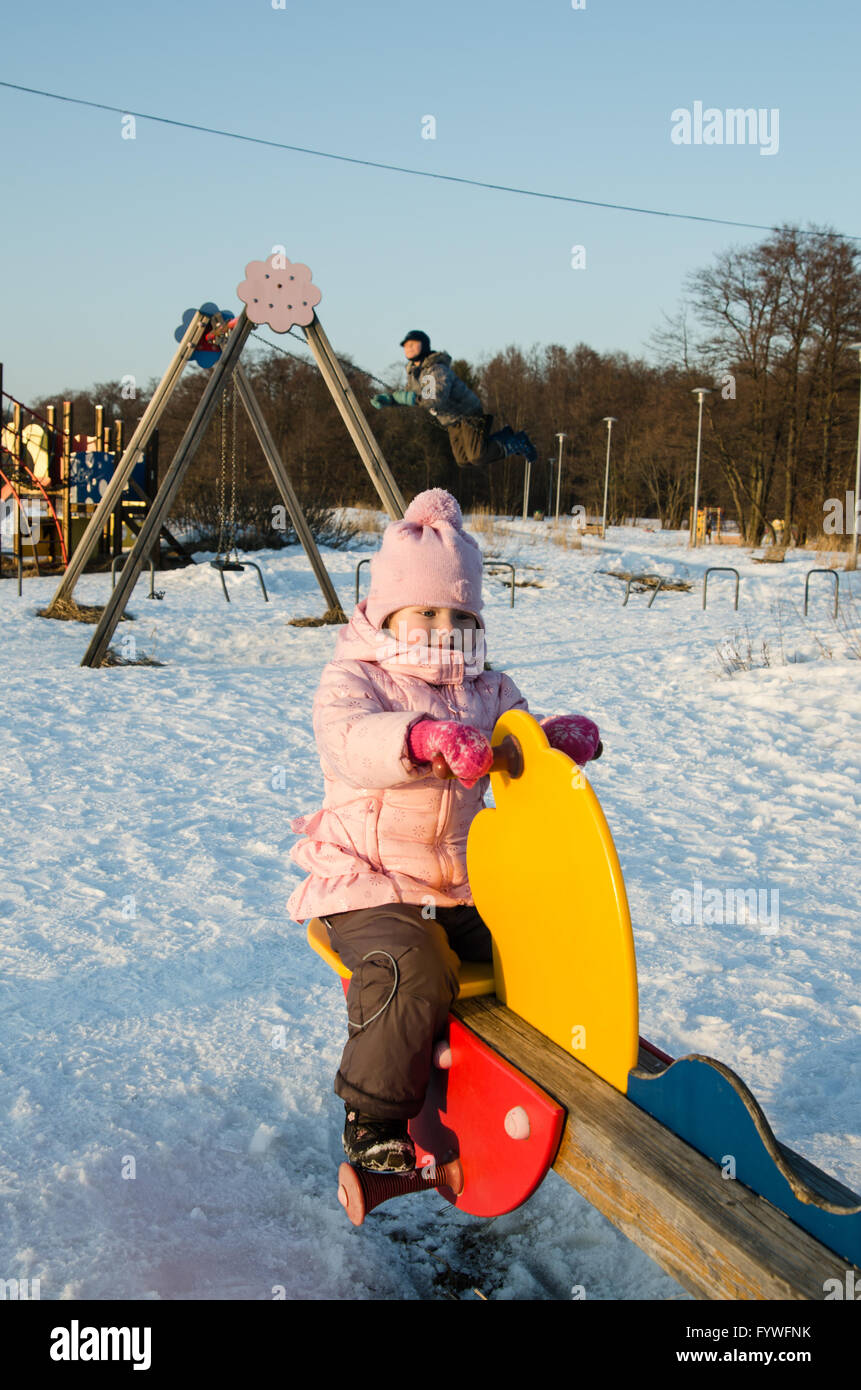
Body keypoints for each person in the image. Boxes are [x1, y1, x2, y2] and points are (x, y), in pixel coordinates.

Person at [287, 489, 601, 1172]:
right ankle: (372, 1116)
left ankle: (570, 1060)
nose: (440, 626)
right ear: (386, 610)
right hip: (371, 882)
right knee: (413, 966)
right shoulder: (356, 678)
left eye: (457, 613)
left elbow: (516, 743)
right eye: (424, 610)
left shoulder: (489, 688)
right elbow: (350, 743)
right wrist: (421, 736)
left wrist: (548, 744)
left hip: (459, 883)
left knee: (545, 933)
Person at [370, 330, 538, 468]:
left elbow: (433, 398)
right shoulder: (415, 372)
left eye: (413, 344)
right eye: (406, 346)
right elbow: (409, 394)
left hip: (468, 413)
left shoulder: (434, 369)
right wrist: (390, 400)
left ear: (424, 345)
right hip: (451, 420)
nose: (409, 348)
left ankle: (516, 442)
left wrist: (409, 398)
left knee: (477, 456)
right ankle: (504, 436)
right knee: (463, 460)